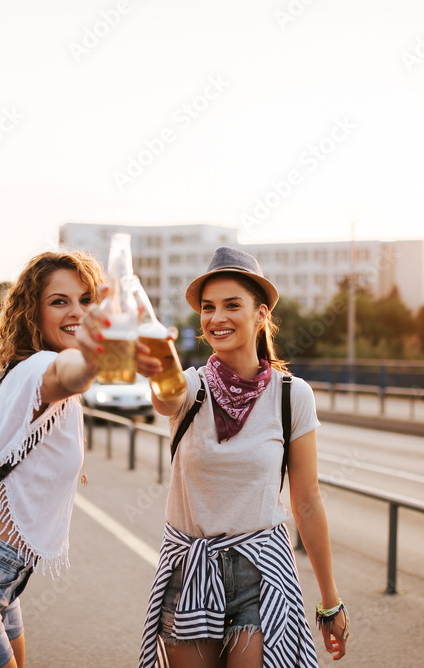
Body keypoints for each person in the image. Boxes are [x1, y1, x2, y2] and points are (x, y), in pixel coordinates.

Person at [0, 250, 161, 668]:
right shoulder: (39, 369)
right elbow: (70, 372)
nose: (76, 311)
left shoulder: (43, 378)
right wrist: (98, 351)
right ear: (33, 314)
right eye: (60, 301)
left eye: (87, 300)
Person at [137, 247, 349, 667]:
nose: (217, 318)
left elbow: (306, 502)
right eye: (208, 307)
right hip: (191, 569)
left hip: (261, 574)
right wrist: (154, 357)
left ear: (261, 314)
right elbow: (164, 394)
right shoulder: (189, 388)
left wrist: (329, 601)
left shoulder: (292, 396)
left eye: (232, 305)